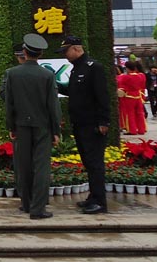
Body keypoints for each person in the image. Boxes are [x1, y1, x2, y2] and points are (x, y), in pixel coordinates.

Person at [3, 33, 61, 220]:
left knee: (23, 165)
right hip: (43, 126)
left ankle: (26, 204)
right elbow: (53, 105)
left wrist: (11, 127)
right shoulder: (47, 75)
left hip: (20, 125)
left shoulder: (12, 73)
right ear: (40, 55)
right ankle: (38, 208)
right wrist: (56, 131)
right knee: (41, 167)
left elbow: (8, 103)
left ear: (25, 52)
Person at [56, 35, 110, 215]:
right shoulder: (75, 69)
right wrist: (52, 84)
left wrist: (104, 121)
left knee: (95, 163)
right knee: (88, 161)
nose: (65, 55)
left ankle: (100, 202)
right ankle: (93, 197)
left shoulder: (94, 68)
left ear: (76, 49)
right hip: (79, 124)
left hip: (92, 124)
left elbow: (102, 96)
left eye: (66, 51)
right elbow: (71, 91)